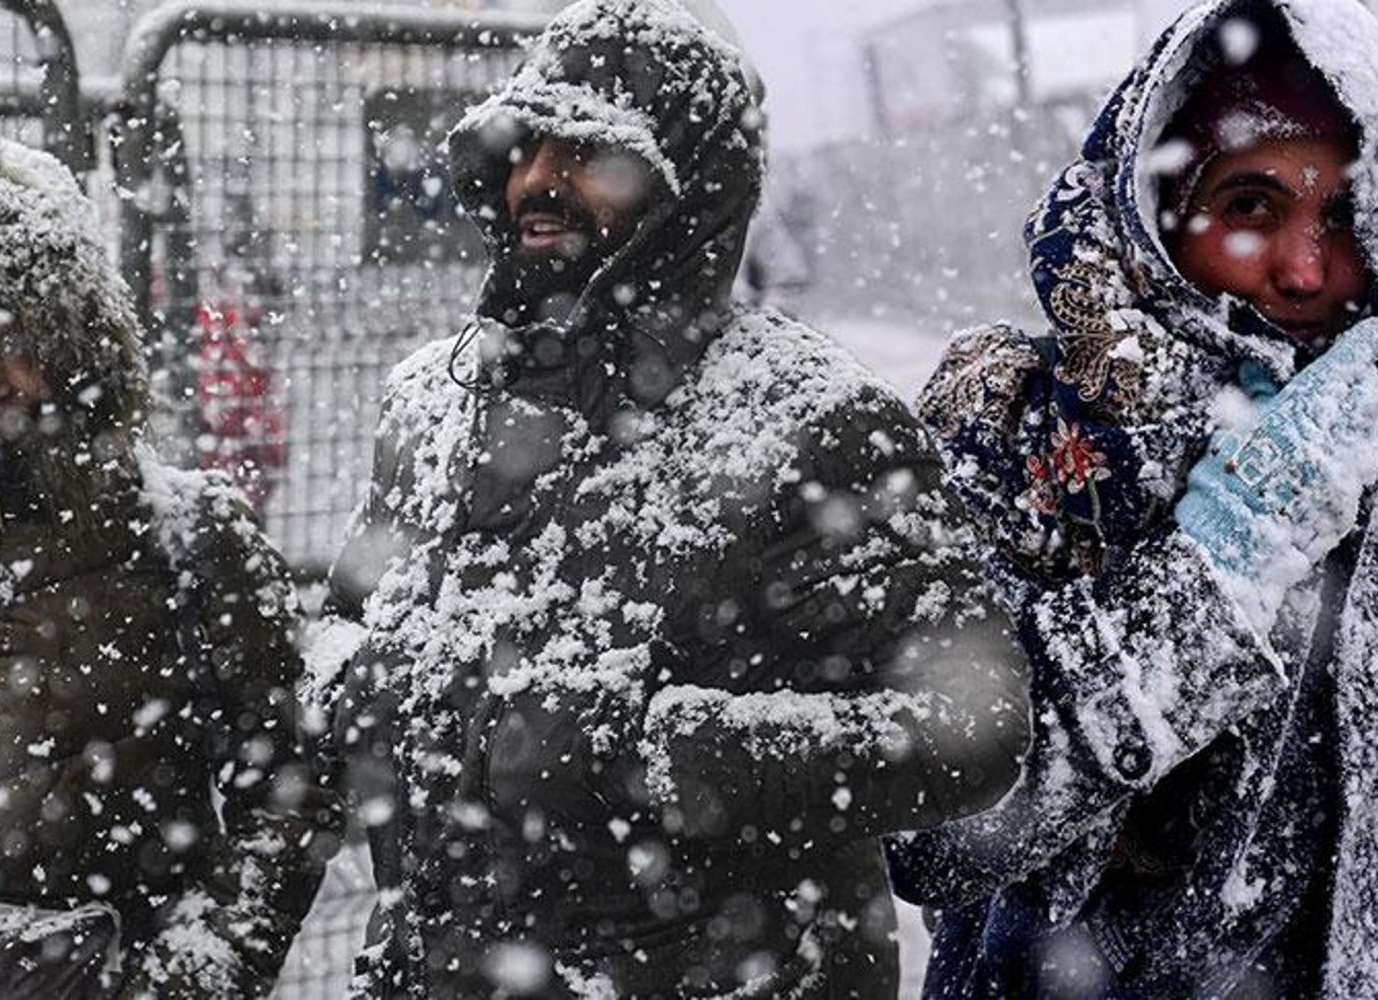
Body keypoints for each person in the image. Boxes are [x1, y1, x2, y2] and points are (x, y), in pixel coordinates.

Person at [322, 1, 1030, 996]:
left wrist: (693, 759)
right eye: (527, 144)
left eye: (588, 151)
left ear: (689, 187)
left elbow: (980, 720)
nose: (539, 179)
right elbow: (351, 632)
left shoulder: (813, 422)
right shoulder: (432, 404)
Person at [887, 0, 1378, 996]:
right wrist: (1218, 572)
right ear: (1157, 211)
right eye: (1250, 206)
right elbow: (934, 828)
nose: (1305, 269)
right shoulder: (1010, 424)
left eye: (1346, 212)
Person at [0, 133, 339, 997]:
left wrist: (194, 980)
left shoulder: (190, 537)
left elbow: (292, 793)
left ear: (76, 343)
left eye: (16, 339)